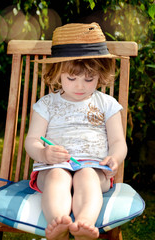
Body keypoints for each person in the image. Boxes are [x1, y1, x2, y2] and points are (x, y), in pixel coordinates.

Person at [25, 22, 127, 240]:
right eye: (71, 78)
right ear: (57, 73)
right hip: (53, 166)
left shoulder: (108, 104)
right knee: (57, 177)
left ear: (100, 74)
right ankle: (58, 223)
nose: (80, 86)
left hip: (94, 167)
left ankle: (84, 224)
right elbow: (32, 140)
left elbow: (118, 141)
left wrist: (115, 157)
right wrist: (43, 153)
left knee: (87, 177)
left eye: (89, 79)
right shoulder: (46, 104)